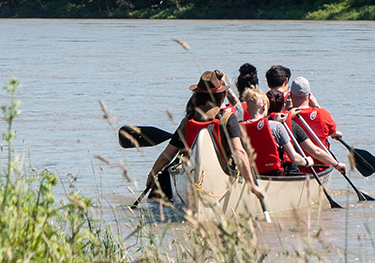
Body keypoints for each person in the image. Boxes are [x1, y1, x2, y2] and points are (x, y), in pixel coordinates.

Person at [141, 70, 266, 201]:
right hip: (221, 176)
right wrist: (252, 185)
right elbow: (239, 152)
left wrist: (152, 175)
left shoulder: (187, 121)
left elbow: (166, 156)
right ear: (222, 96)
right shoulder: (228, 118)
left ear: (197, 96)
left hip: (191, 176)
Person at [239, 86, 307, 174]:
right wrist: (307, 162)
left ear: (247, 110)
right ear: (264, 106)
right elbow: (293, 157)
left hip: (254, 174)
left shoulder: (240, 128)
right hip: (275, 174)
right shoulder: (276, 126)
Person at [284, 75, 345, 171]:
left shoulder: (286, 117)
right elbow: (333, 132)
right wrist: (317, 106)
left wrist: (287, 110)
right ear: (309, 95)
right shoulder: (323, 113)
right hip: (321, 167)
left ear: (291, 96)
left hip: (298, 169)